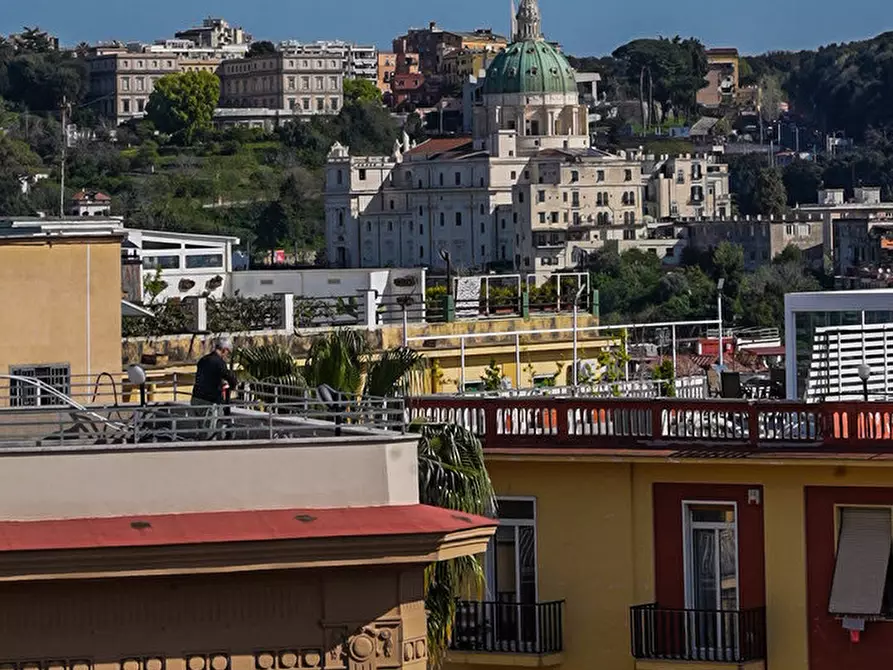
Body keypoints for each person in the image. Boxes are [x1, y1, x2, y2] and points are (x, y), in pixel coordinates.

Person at [191, 337, 239, 406]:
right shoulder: (219, 362)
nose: (227, 355)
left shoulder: (203, 359)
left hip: (196, 398)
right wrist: (233, 385)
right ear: (224, 350)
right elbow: (229, 377)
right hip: (209, 401)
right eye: (228, 352)